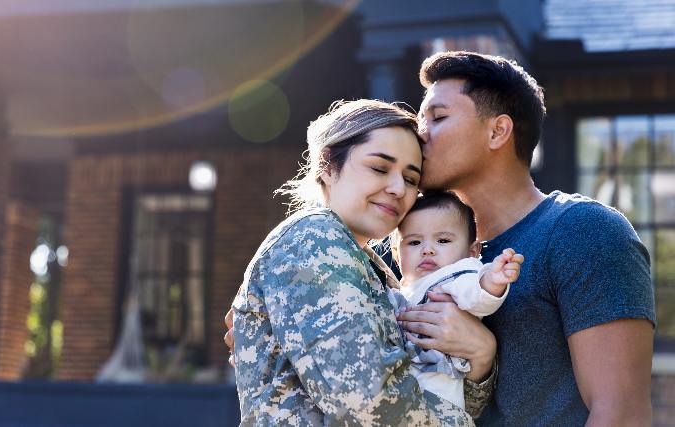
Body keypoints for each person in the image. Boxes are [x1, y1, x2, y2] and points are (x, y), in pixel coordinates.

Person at [397, 51, 655, 426]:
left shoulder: (583, 232)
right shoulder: (412, 250)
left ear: (498, 131)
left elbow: (622, 413)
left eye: (437, 117)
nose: (419, 134)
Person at [230, 99, 495, 426]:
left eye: (411, 179)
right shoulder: (314, 241)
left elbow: (430, 393)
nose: (399, 189)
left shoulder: (369, 266)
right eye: (380, 168)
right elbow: (371, 407)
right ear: (327, 166)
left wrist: (481, 357)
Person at [387, 190, 523, 409]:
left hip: (438, 393)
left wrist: (492, 280)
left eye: (442, 240)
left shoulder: (455, 275)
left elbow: (475, 296)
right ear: (396, 253)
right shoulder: (404, 289)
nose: (428, 250)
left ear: (472, 252)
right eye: (414, 243)